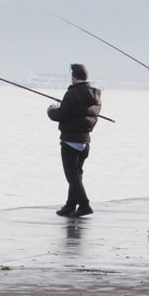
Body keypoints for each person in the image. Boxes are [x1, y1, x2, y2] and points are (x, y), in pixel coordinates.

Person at [47, 63, 102, 217]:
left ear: (74, 77)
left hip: (70, 140)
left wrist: (51, 110)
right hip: (85, 141)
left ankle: (84, 205)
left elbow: (60, 115)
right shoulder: (96, 94)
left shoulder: (72, 93)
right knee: (76, 175)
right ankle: (70, 206)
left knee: (72, 176)